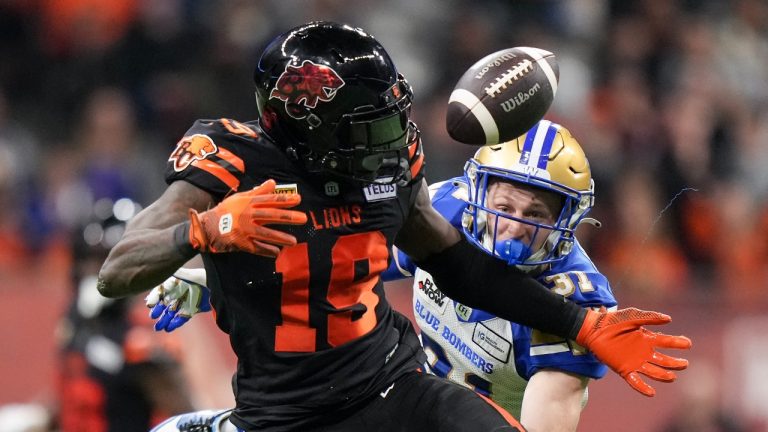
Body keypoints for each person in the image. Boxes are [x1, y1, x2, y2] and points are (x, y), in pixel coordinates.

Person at [97, 21, 690, 432]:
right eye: (367, 126)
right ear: (306, 127)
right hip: (287, 414)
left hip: (394, 385)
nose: (388, 139)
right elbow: (117, 269)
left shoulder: (386, 166)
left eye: (389, 118)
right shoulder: (233, 163)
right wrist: (203, 233)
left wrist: (578, 321)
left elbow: (455, 263)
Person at [381, 120, 615, 431]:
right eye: (504, 206)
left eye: (534, 214)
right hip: (409, 405)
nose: (515, 227)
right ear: (479, 194)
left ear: (566, 218)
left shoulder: (576, 301)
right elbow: (357, 270)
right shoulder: (443, 212)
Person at [56, 198, 194, 432]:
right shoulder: (75, 322)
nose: (92, 270)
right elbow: (76, 399)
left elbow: (188, 418)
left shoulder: (140, 341)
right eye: (88, 259)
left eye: (102, 260)